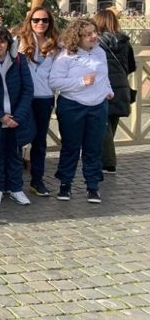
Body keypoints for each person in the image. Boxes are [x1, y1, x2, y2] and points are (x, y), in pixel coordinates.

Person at [50, 19, 113, 203]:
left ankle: (92, 186)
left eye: (94, 32)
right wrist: (80, 82)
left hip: (98, 106)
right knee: (71, 147)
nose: (94, 36)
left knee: (93, 148)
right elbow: (54, 82)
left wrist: (108, 89)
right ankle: (65, 184)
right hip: (73, 106)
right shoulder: (65, 56)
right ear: (77, 37)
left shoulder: (100, 52)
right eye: (88, 34)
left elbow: (104, 75)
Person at [0, 26, 35, 206]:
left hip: (16, 117)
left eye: (2, 41)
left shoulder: (19, 60)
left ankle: (16, 188)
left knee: (15, 154)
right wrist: (0, 116)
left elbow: (28, 90)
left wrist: (18, 117)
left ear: (8, 43)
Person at [17, 6, 60, 196]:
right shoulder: (21, 42)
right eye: (36, 20)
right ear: (30, 22)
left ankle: (37, 180)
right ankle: (15, 180)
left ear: (50, 23)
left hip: (44, 97)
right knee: (18, 138)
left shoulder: (56, 45)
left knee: (39, 141)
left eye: (44, 20)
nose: (40, 23)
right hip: (24, 97)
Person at [92, 9, 136, 175]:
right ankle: (106, 159)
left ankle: (108, 162)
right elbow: (131, 66)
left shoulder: (96, 42)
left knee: (103, 124)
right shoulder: (125, 41)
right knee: (111, 122)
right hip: (122, 86)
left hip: (103, 86)